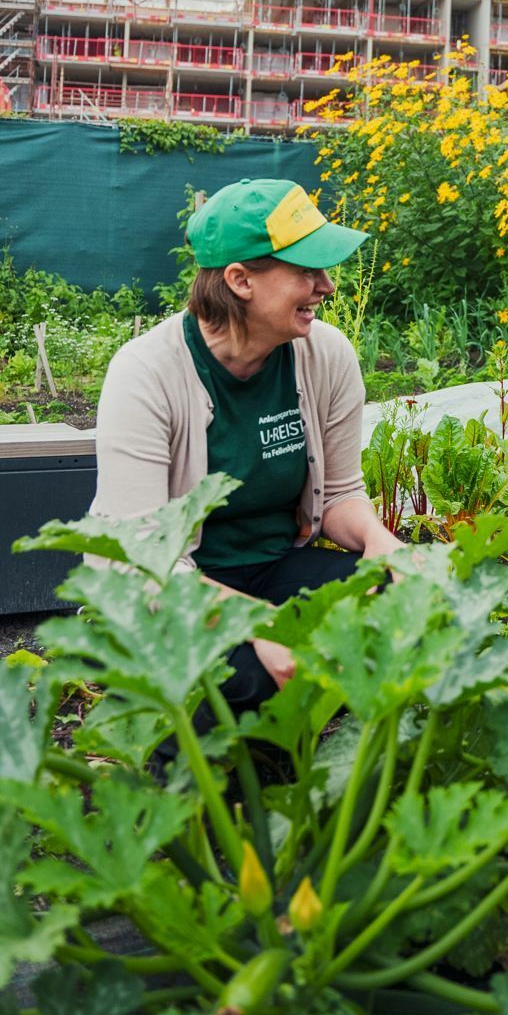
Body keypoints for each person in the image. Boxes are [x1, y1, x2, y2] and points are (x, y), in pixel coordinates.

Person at [93, 178, 401, 711]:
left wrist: (380, 542)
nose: (326, 286)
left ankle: (321, 765)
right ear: (240, 280)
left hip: (273, 567)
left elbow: (340, 498)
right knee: (242, 677)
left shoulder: (326, 356)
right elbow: (142, 564)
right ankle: (187, 785)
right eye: (306, 270)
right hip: (169, 588)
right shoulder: (146, 373)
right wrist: (256, 623)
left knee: (406, 598)